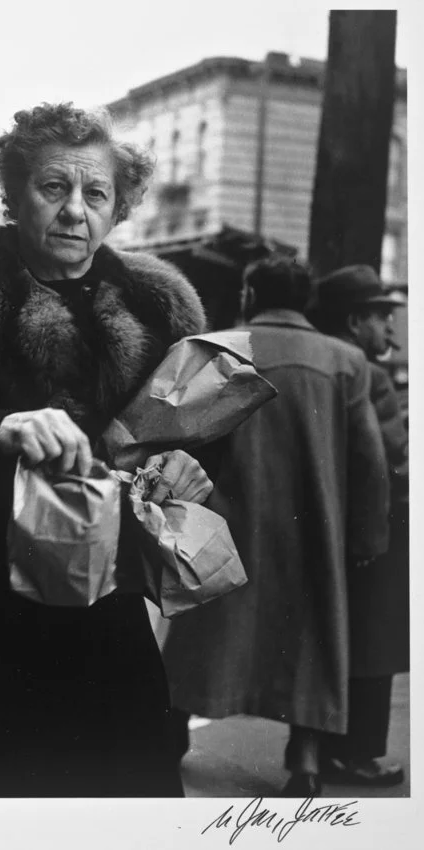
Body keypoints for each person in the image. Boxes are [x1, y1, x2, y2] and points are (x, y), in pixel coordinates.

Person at [0, 102, 214, 798]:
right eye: (53, 188)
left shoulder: (154, 310)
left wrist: (186, 469)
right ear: (14, 192)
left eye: (95, 193)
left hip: (100, 605)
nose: (73, 210)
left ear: (119, 207)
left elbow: (185, 439)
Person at [160, 256, 390, 796]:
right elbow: (369, 462)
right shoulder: (346, 360)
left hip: (230, 525)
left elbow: (183, 439)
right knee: (313, 641)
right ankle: (304, 763)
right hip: (318, 531)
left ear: (249, 294)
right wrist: (365, 537)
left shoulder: (218, 349)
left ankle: (168, 738)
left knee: (204, 638)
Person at [310, 264, 408, 787]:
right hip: (375, 528)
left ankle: (328, 750)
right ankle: (357, 754)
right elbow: (387, 461)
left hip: (335, 524)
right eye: (380, 318)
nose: (390, 331)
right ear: (354, 322)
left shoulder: (327, 366)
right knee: (375, 643)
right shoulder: (364, 374)